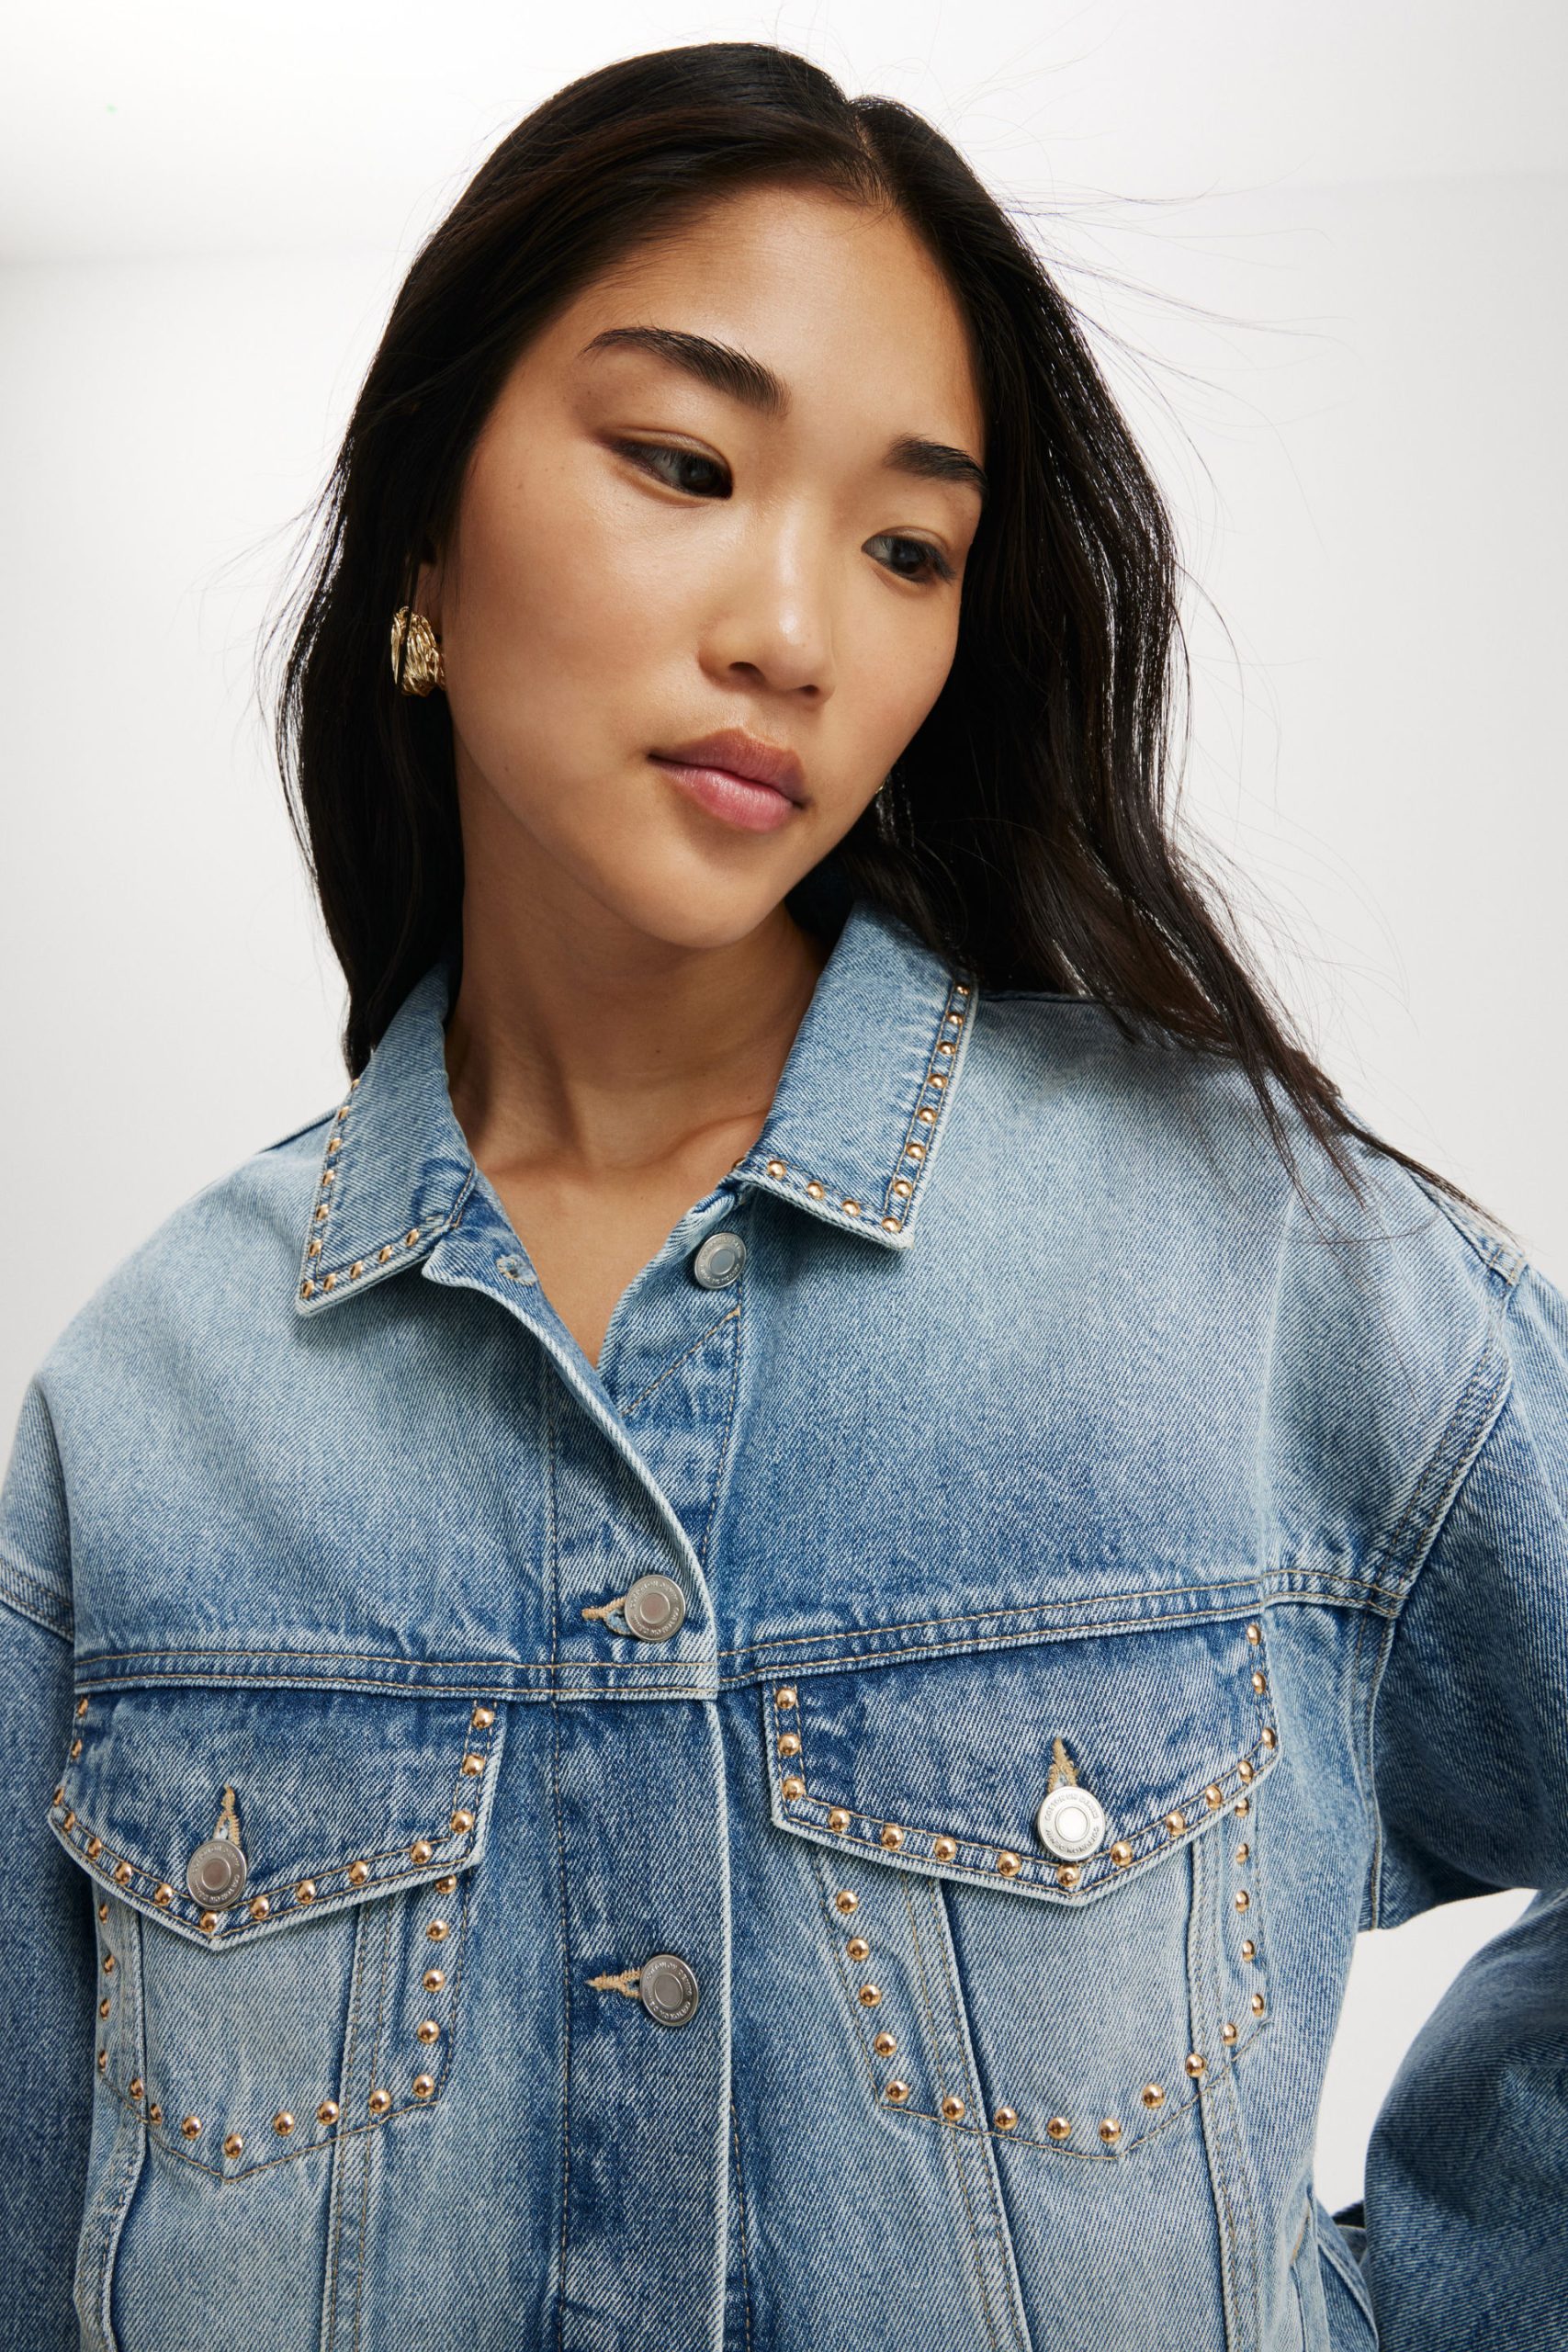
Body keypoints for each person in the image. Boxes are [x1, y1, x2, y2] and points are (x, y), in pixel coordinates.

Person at [3, 38, 1562, 2352]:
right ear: (424, 521)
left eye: (905, 546)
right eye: (682, 462)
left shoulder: (1265, 1274)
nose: (793, 631)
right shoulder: (146, 1417)